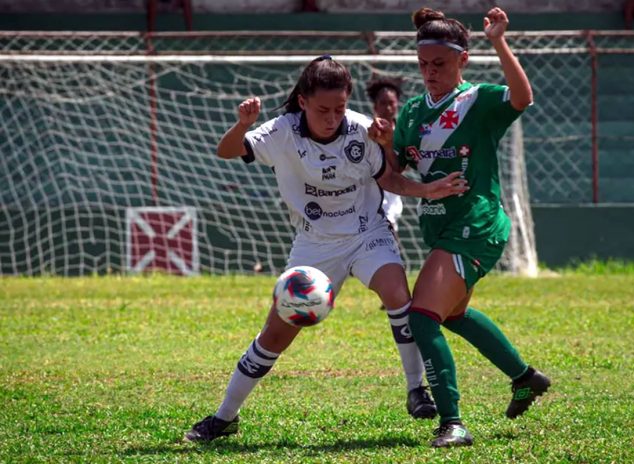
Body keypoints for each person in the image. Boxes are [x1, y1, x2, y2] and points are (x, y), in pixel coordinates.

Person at [184, 55, 468, 442]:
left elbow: (390, 179)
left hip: (368, 233)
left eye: (339, 108)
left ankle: (416, 389)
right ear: (302, 101)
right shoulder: (281, 131)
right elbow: (226, 150)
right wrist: (243, 124)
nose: (333, 118)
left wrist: (424, 188)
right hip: (314, 245)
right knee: (274, 335)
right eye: (323, 110)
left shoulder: (362, 130)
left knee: (398, 294)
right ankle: (224, 416)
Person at [370, 7, 551, 448]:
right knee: (451, 315)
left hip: (476, 224)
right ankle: (526, 377)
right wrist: (385, 147)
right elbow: (395, 176)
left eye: (440, 65)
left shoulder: (481, 99)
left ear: (462, 61)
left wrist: (499, 42)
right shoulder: (412, 112)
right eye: (424, 65)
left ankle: (452, 422)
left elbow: (523, 97)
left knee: (421, 318)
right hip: (439, 228)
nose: (430, 73)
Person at [366, 77, 405, 239]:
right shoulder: (367, 129)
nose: (388, 108)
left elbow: (402, 165)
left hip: (391, 198)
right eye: (383, 103)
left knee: (388, 242)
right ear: (375, 106)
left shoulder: (403, 131)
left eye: (392, 103)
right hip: (368, 196)